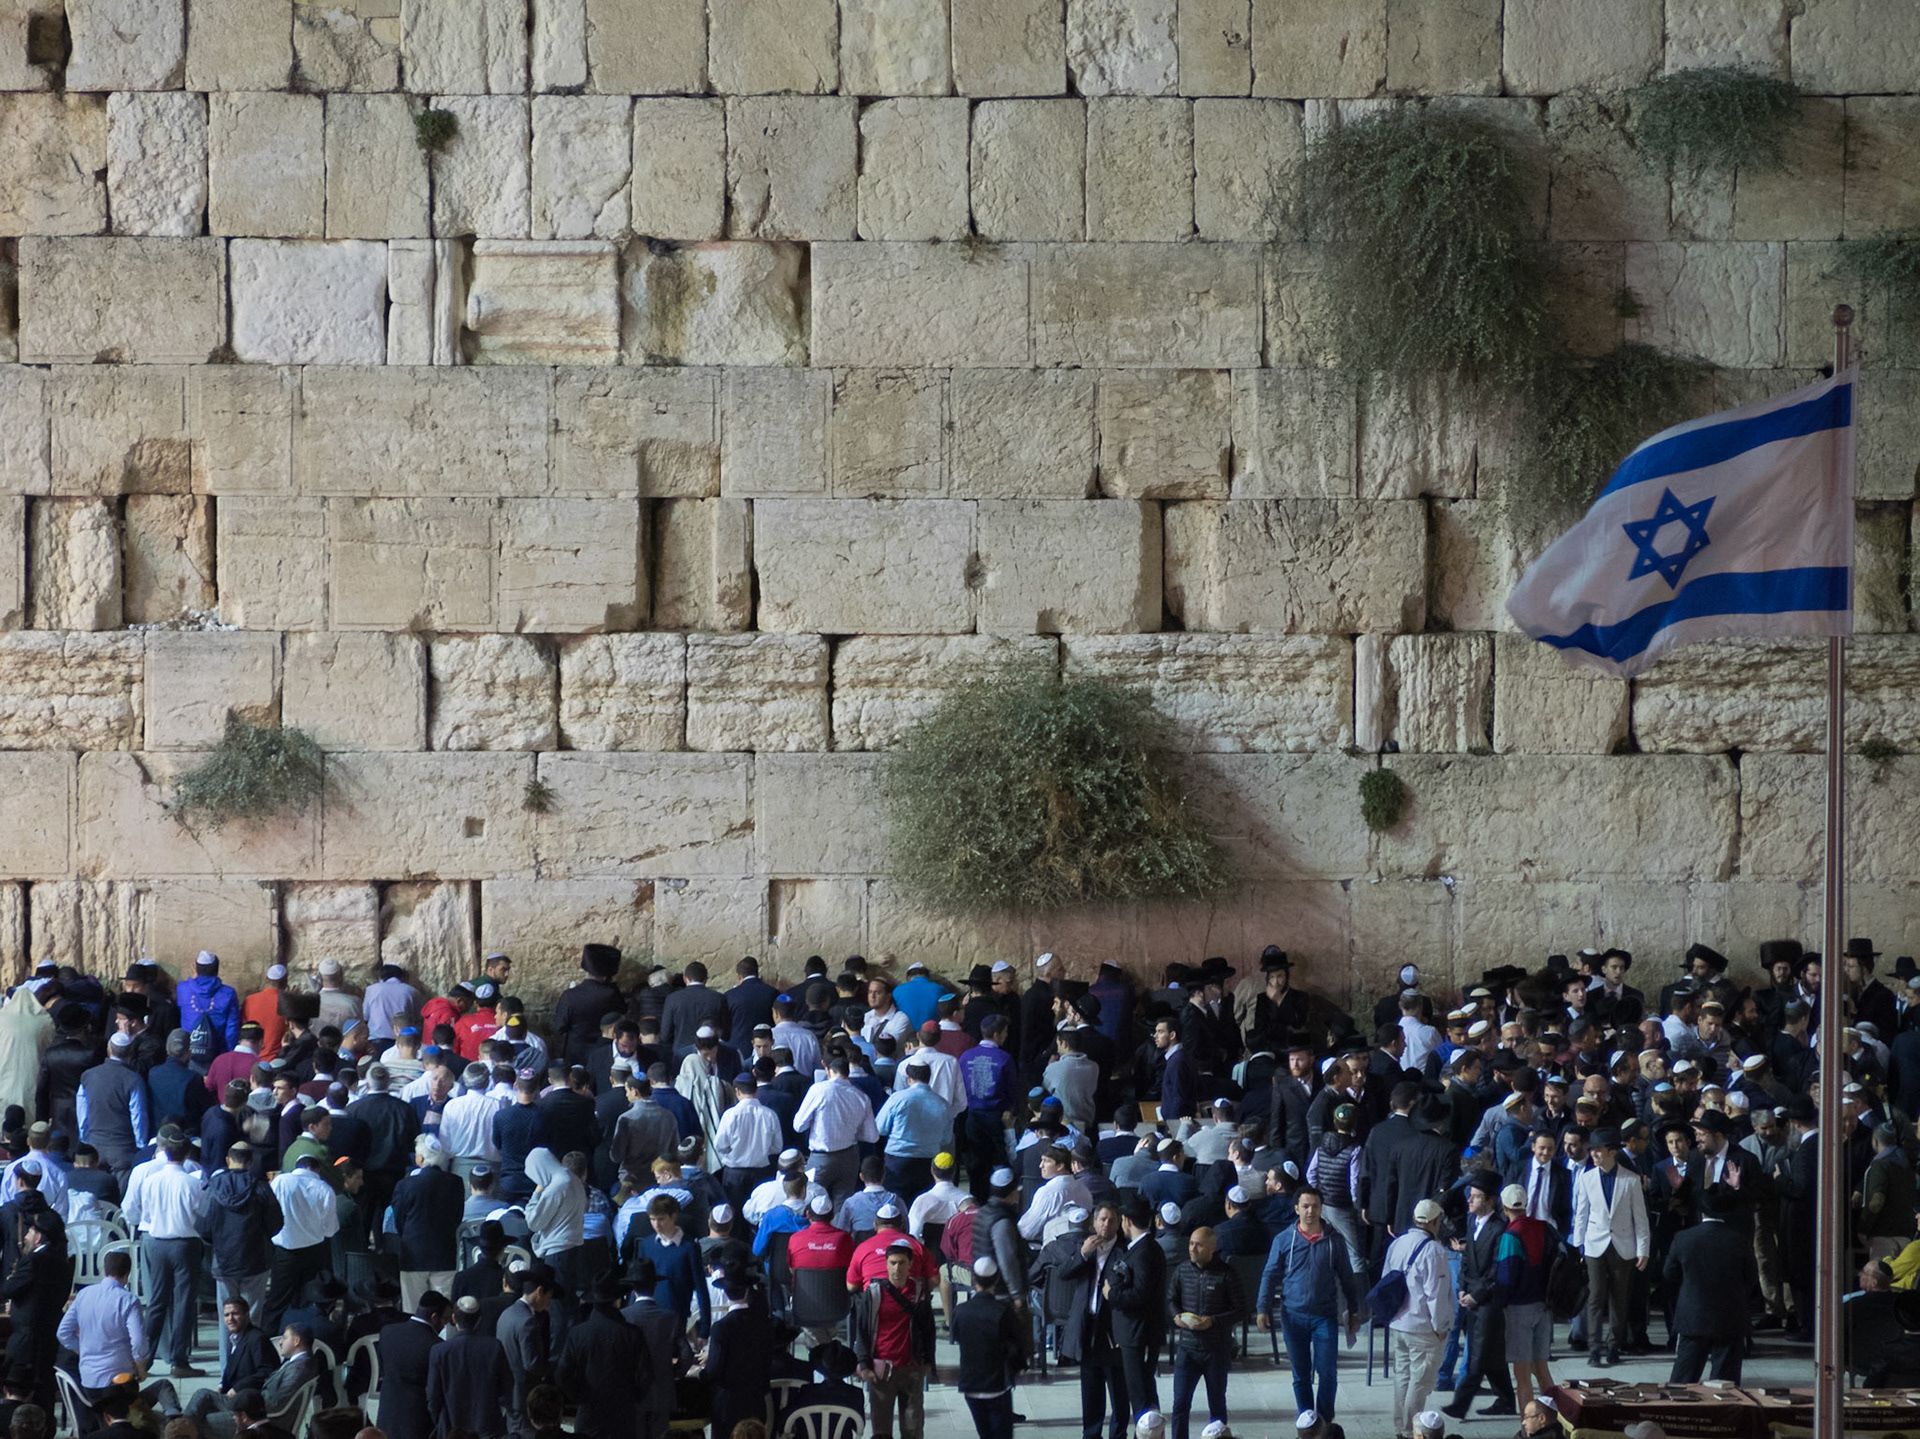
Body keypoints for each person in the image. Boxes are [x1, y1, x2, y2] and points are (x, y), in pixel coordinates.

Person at [1256, 1186, 1363, 1421]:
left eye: (1315, 1206)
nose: (1310, 1211)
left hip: (1324, 1316)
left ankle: (1324, 1422)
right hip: (1293, 1317)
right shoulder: (1284, 1240)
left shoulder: (1334, 1241)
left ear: (1322, 1208)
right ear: (1296, 1209)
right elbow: (1269, 1274)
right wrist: (1262, 1308)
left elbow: (1347, 1277)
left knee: (1327, 1373)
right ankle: (1307, 1422)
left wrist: (1354, 1310)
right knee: (1301, 1375)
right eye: (1305, 1206)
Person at [125, 1133, 205, 1378]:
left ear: (165, 1152)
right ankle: (178, 1360)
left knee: (157, 1302)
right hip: (184, 1243)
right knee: (183, 1303)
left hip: (156, 1242)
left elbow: (139, 1211)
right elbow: (201, 1215)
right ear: (187, 1153)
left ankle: (145, 1359)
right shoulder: (193, 1183)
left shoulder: (150, 1180)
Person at [1570, 1126, 1649, 1367]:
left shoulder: (1630, 1179)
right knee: (1595, 1297)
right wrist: (1578, 1246)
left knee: (1619, 1299)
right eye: (1592, 1150)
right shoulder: (1586, 1178)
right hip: (1594, 1244)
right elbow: (1581, 1214)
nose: (1594, 1155)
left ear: (1613, 1152)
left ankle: (1614, 1345)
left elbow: (1641, 1218)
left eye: (1599, 1151)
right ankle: (1594, 1348)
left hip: (1623, 1245)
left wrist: (1643, 1249)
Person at [1663, 1183, 1758, 1383]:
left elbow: (1669, 1274)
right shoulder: (1740, 1240)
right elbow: (1750, 1278)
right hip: (1730, 1318)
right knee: (1725, 1387)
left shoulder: (1684, 1238)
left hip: (1693, 1316)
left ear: (1701, 1211)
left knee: (1682, 1383)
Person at [1442, 1172, 1516, 1421]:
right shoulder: (1472, 1224)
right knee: (1492, 1355)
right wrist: (1462, 1288)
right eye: (1470, 1196)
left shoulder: (1500, 1229)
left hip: (1488, 1302)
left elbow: (1497, 1270)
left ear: (1490, 1201)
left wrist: (1476, 1295)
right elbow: (1466, 1261)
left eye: (1475, 1197)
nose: (1470, 1201)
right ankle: (1506, 1399)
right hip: (1471, 1297)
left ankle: (1459, 1404)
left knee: (1477, 1355)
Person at [201, 1141, 283, 1358]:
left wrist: (217, 1243)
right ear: (250, 1161)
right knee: (253, 1316)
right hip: (256, 1259)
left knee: (226, 1317)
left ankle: (227, 1370)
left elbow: (202, 1225)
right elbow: (276, 1223)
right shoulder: (261, 1187)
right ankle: (248, 1365)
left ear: (228, 1160)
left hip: (224, 1261)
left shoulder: (214, 1187)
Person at [1167, 1226, 1246, 1439]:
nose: (1193, 1248)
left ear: (1212, 1247)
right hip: (1188, 1348)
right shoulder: (1182, 1270)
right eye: (1191, 1243)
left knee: (1217, 1404)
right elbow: (1171, 1298)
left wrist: (1213, 1321)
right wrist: (1176, 1314)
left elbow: (1240, 1310)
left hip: (1216, 1350)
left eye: (1199, 1244)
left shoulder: (1226, 1273)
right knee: (1180, 1404)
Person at [1384, 1199, 1455, 1439]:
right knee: (1420, 1382)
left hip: (1399, 1322)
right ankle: (1412, 1430)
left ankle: (1400, 1428)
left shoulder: (1398, 1243)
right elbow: (1437, 1295)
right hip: (1423, 1328)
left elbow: (1385, 1278)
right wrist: (1441, 1327)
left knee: (1402, 1376)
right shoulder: (1434, 1251)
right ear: (1435, 1222)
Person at [851, 1241, 935, 1439]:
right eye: (893, 1263)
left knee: (913, 1428)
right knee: (881, 1430)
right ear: (886, 1264)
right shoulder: (872, 1295)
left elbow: (928, 1329)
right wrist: (864, 1365)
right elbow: (861, 1331)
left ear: (910, 1264)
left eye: (902, 1263)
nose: (897, 1268)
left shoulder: (919, 1294)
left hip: (912, 1367)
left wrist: (929, 1361)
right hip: (881, 1370)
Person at [555, 1280, 651, 1439]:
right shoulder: (632, 1334)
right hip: (623, 1415)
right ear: (617, 1301)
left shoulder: (578, 1334)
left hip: (589, 1413)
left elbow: (561, 1374)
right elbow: (646, 1375)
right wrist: (632, 1397)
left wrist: (579, 1396)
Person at [187, 1323, 316, 1439]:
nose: (281, 1342)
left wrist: (247, 1399)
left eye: (285, 1337)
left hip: (261, 1417)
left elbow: (277, 1404)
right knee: (203, 1395)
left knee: (202, 1421)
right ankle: (177, 1428)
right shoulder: (296, 1363)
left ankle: (177, 1430)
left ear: (296, 1341)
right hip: (255, 1408)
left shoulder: (300, 1367)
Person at [1492, 1184, 1556, 1409]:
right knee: (1542, 1372)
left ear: (1504, 1206)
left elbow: (1506, 1277)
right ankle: (1554, 1423)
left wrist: (1498, 1304)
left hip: (1519, 1309)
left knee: (1522, 1378)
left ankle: (1527, 1427)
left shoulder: (1511, 1236)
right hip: (1544, 1307)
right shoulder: (1545, 1228)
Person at [1106, 1196, 1167, 1431]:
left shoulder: (1145, 1251)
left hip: (1138, 1333)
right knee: (1142, 1390)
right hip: (1134, 1332)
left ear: (1126, 1221)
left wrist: (1111, 1294)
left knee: (1140, 1393)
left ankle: (1148, 1434)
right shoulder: (1142, 1249)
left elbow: (1140, 1294)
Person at [263, 1154, 339, 1333]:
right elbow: (331, 1230)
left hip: (284, 1252)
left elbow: (269, 1211)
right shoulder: (324, 1189)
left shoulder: (281, 1182)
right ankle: (305, 1341)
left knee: (277, 1301)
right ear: (316, 1169)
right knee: (308, 1301)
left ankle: (270, 1340)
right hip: (314, 1253)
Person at [953, 1255, 1026, 1439]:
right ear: (997, 1278)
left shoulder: (960, 1311)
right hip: (997, 1384)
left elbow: (957, 1338)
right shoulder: (1003, 1311)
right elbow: (1017, 1345)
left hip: (970, 1384)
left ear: (973, 1279)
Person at [55, 1249, 145, 1396]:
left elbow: (63, 1333)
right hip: (120, 1379)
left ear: (103, 1271)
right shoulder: (129, 1300)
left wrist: (80, 1348)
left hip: (89, 1381)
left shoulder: (83, 1295)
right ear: (127, 1274)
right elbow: (138, 1341)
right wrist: (140, 1366)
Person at [390, 1136, 464, 1311]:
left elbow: (399, 1219)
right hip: (444, 1252)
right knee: (443, 1310)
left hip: (413, 1253)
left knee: (413, 1309)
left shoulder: (405, 1185)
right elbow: (457, 1217)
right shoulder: (455, 1183)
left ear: (420, 1159)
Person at [620, 1257, 690, 1439]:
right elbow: (687, 1355)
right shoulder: (670, 1317)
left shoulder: (622, 1317)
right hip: (662, 1393)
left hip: (631, 1394)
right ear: (655, 1286)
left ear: (633, 1288)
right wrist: (672, 1373)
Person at [698, 1272, 773, 1439]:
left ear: (725, 1293)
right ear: (747, 1291)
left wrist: (699, 1373)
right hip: (755, 1400)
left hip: (727, 1406)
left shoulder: (721, 1327)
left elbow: (714, 1371)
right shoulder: (763, 1325)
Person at [376, 1292, 448, 1439]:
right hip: (418, 1419)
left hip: (387, 1411)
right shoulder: (437, 1346)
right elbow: (436, 1388)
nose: (445, 1325)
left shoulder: (387, 1332)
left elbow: (383, 1368)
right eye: (445, 1320)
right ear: (434, 1317)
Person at [496, 1267, 557, 1439]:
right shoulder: (527, 1322)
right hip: (523, 1395)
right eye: (549, 1297)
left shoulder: (507, 1314)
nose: (549, 1303)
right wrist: (555, 1366)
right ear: (539, 1292)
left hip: (509, 1392)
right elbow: (532, 1364)